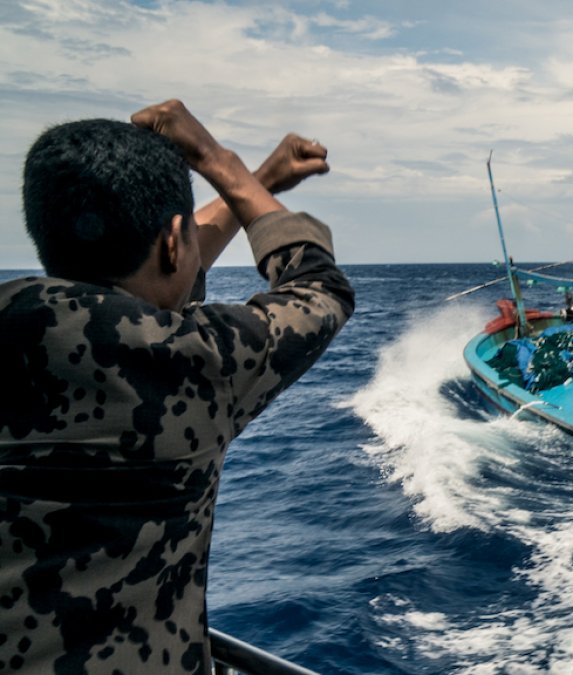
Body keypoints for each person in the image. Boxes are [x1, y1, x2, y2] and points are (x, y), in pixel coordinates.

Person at [0, 100, 354, 673]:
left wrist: (259, 179)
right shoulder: (191, 361)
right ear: (173, 241)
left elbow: (146, 284)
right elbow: (318, 285)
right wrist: (222, 164)